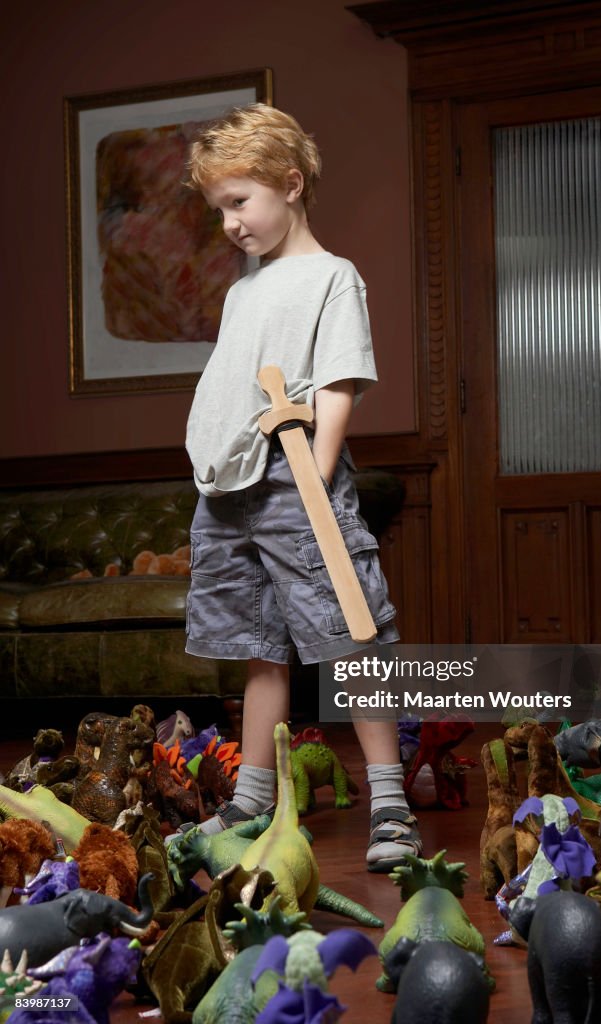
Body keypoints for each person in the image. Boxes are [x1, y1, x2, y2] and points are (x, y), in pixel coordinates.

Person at [182, 104, 421, 872]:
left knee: (350, 639)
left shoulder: (330, 277)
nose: (230, 223)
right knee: (259, 650)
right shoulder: (243, 292)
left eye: (240, 202)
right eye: (219, 209)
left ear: (290, 184)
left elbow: (341, 377)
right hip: (229, 488)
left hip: (295, 478)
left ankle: (388, 798)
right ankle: (252, 799)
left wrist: (318, 468)